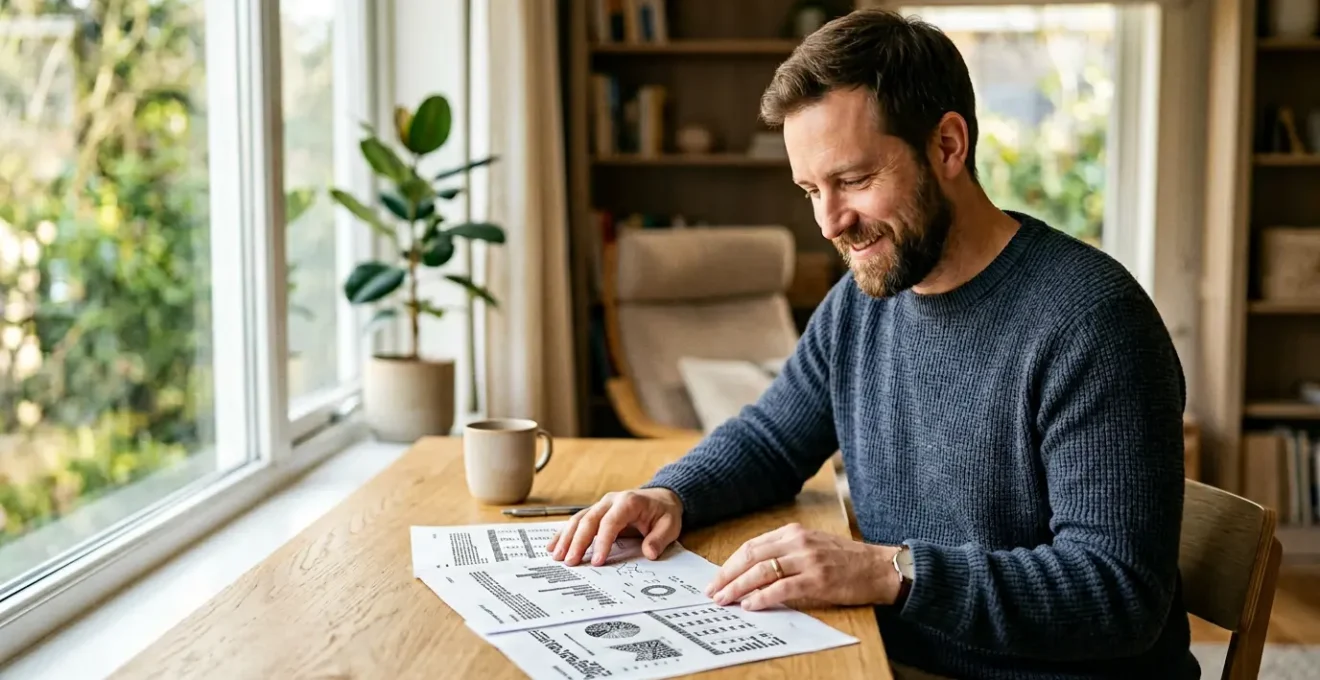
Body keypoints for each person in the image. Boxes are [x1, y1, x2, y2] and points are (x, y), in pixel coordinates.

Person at [548, 8, 1195, 679]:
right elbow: (771, 439)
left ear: (948, 146)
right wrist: (670, 495)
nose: (830, 222)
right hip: (890, 660)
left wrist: (889, 571)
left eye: (853, 180)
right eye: (811, 190)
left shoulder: (1094, 322)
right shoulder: (864, 301)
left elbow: (1118, 593)